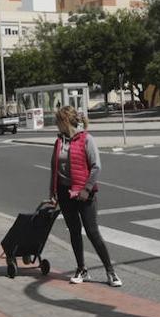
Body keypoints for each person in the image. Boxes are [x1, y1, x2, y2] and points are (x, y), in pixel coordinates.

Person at [48, 106, 121, 287]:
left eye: (57, 121)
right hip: (65, 194)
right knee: (74, 232)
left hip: (84, 194)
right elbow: (54, 169)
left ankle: (110, 272)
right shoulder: (59, 142)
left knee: (92, 232)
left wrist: (87, 189)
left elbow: (96, 167)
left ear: (64, 122)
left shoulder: (87, 139)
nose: (55, 125)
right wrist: (53, 192)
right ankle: (81, 269)